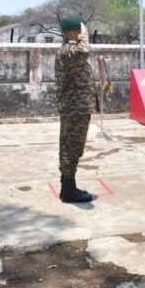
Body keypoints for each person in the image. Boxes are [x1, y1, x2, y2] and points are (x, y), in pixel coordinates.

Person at [55, 16, 97, 204]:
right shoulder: (69, 51)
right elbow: (84, 52)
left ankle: (68, 186)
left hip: (76, 107)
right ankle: (68, 190)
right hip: (75, 109)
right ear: (71, 32)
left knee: (71, 147)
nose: (82, 33)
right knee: (71, 148)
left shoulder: (69, 50)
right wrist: (84, 37)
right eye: (79, 30)